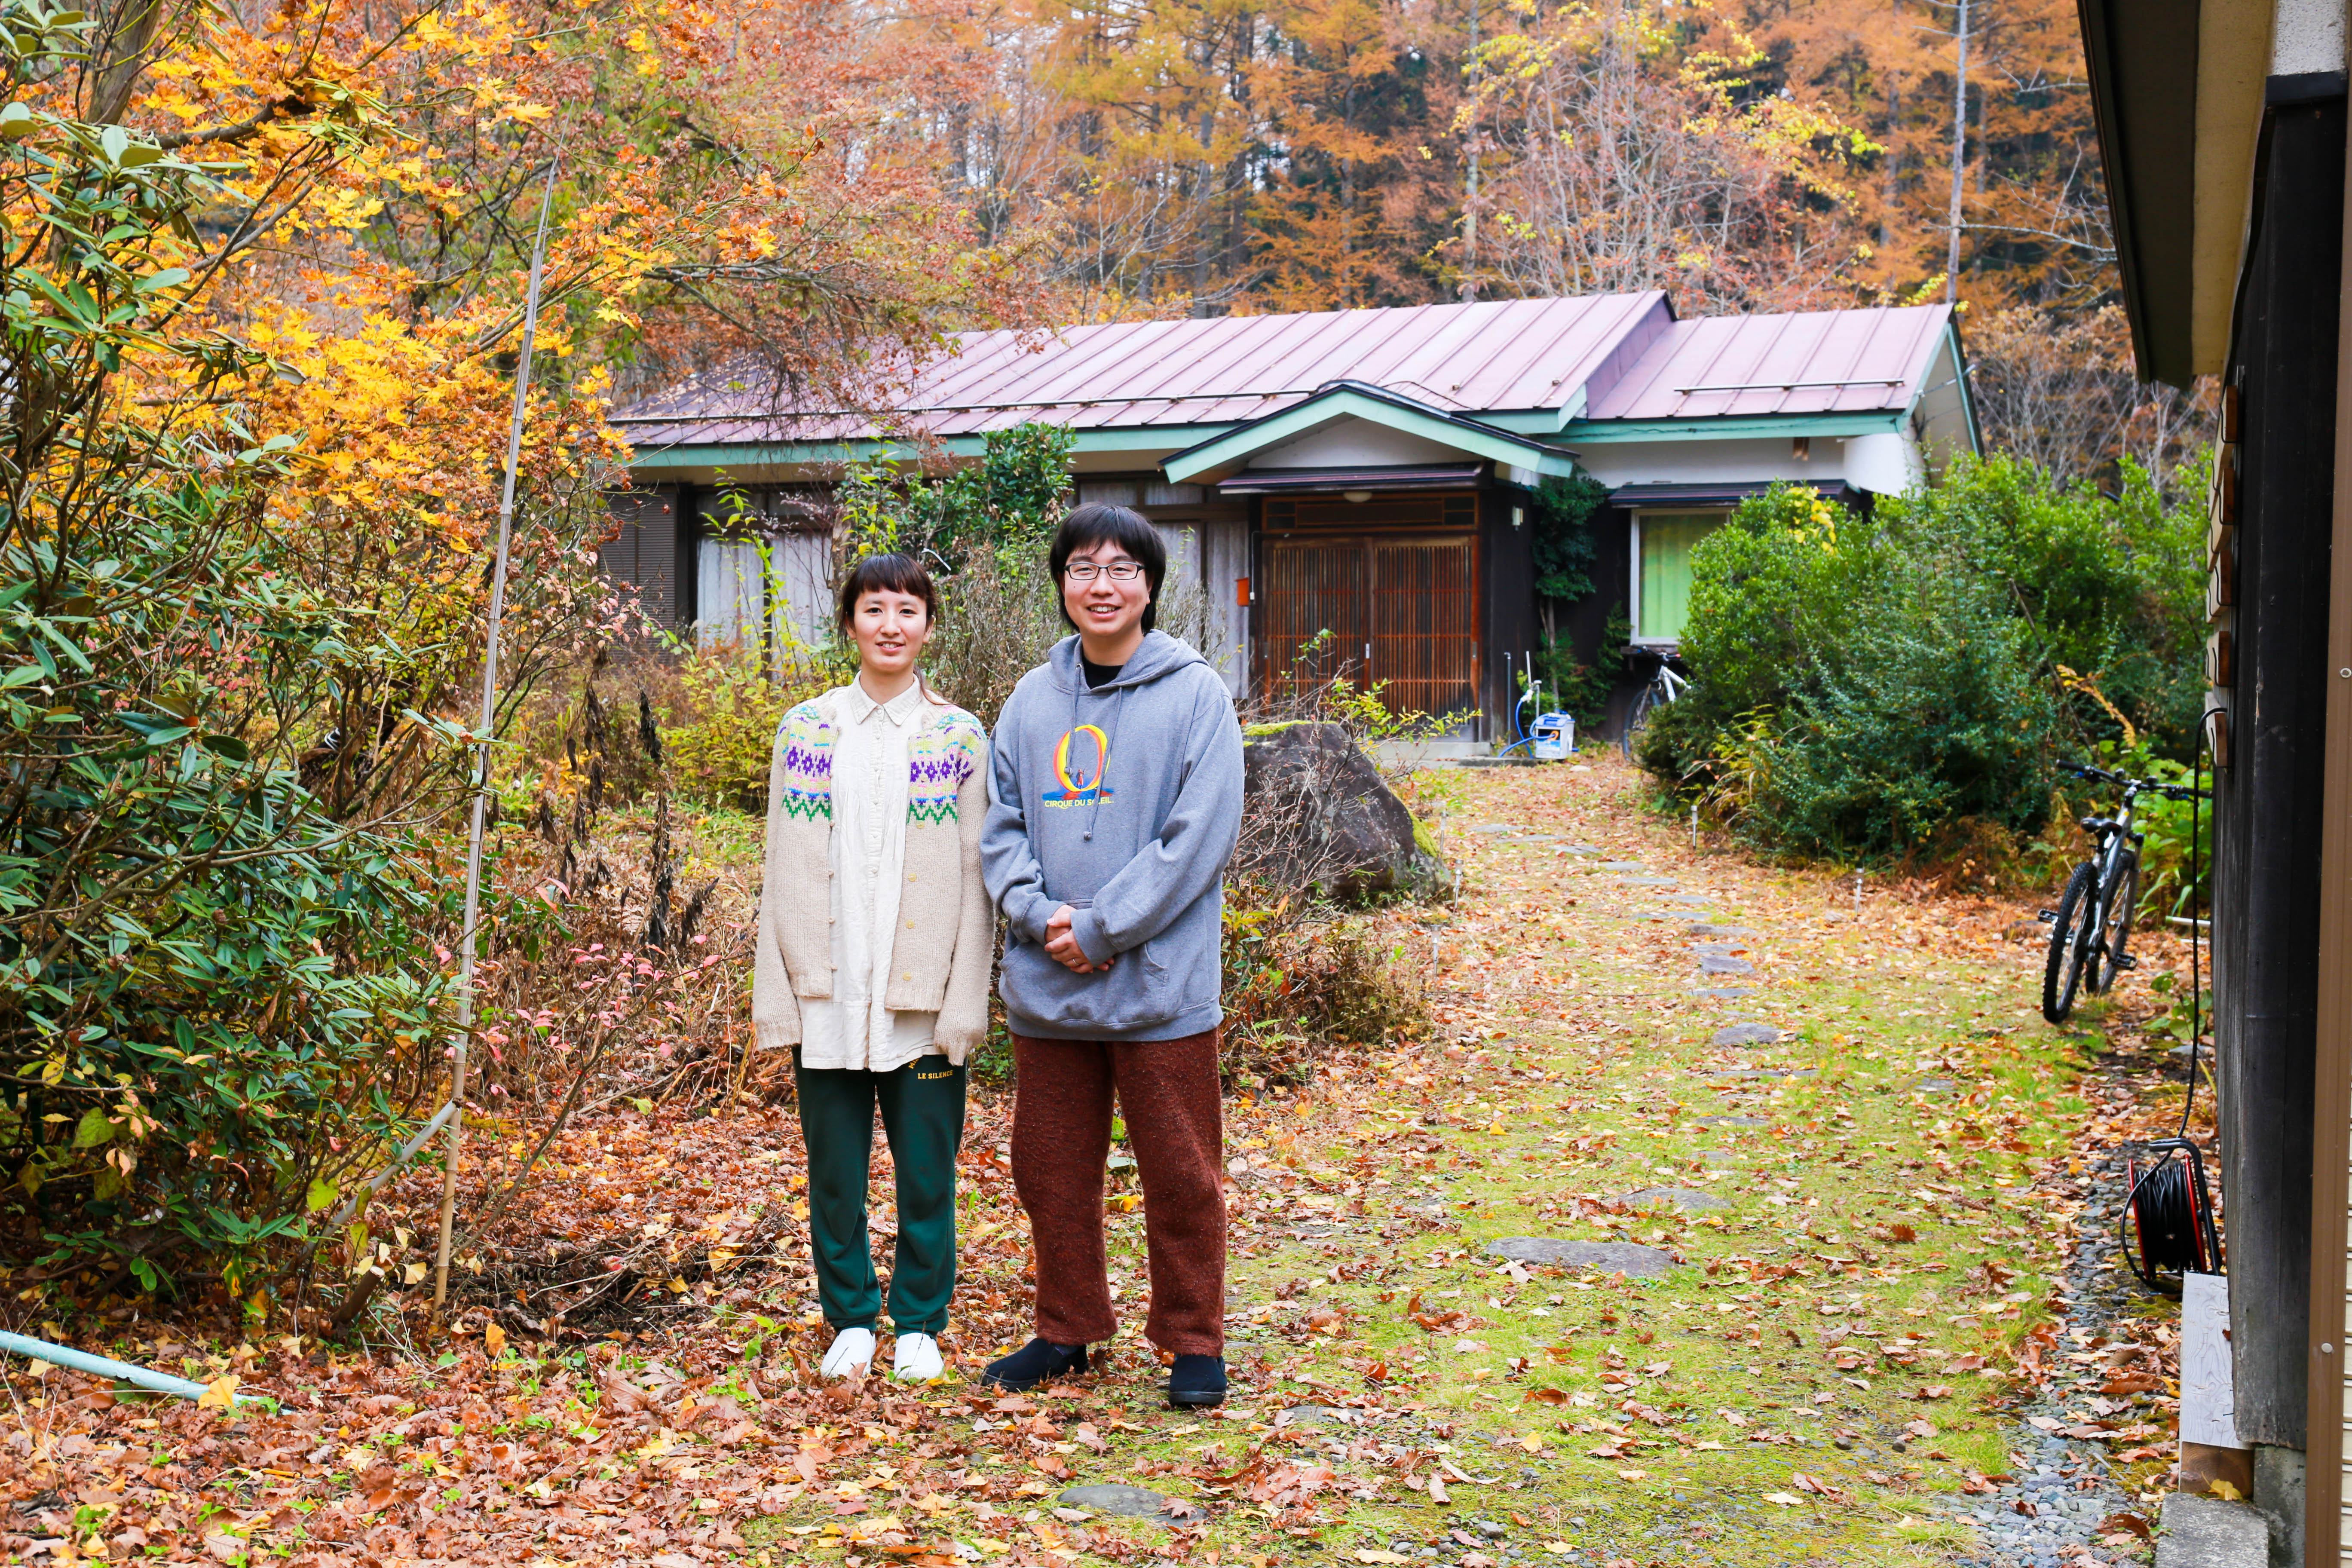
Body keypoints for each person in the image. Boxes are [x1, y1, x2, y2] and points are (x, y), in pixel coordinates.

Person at [978, 504, 1245, 1408]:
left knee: (1180, 1171)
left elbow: (1195, 839)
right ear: (1061, 584)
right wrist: (1040, 914)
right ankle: (1067, 1327)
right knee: (1050, 1169)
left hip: (1160, 986)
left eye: (1122, 569)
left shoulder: (1196, 695)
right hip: (1049, 985)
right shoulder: (1030, 699)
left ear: (1150, 587)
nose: (1102, 585)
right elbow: (1001, 823)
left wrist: (1100, 928)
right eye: (1084, 568)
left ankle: (1192, 1340)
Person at [752, 553, 993, 1383]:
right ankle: (851, 1316)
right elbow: (779, 862)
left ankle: (921, 1321)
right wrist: (777, 989)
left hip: (918, 997)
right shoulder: (809, 727)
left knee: (928, 1171)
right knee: (835, 1172)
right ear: (850, 621)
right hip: (829, 989)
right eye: (875, 610)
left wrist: (966, 996)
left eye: (908, 611)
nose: (891, 626)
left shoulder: (958, 734)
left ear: (928, 625)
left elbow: (976, 876)